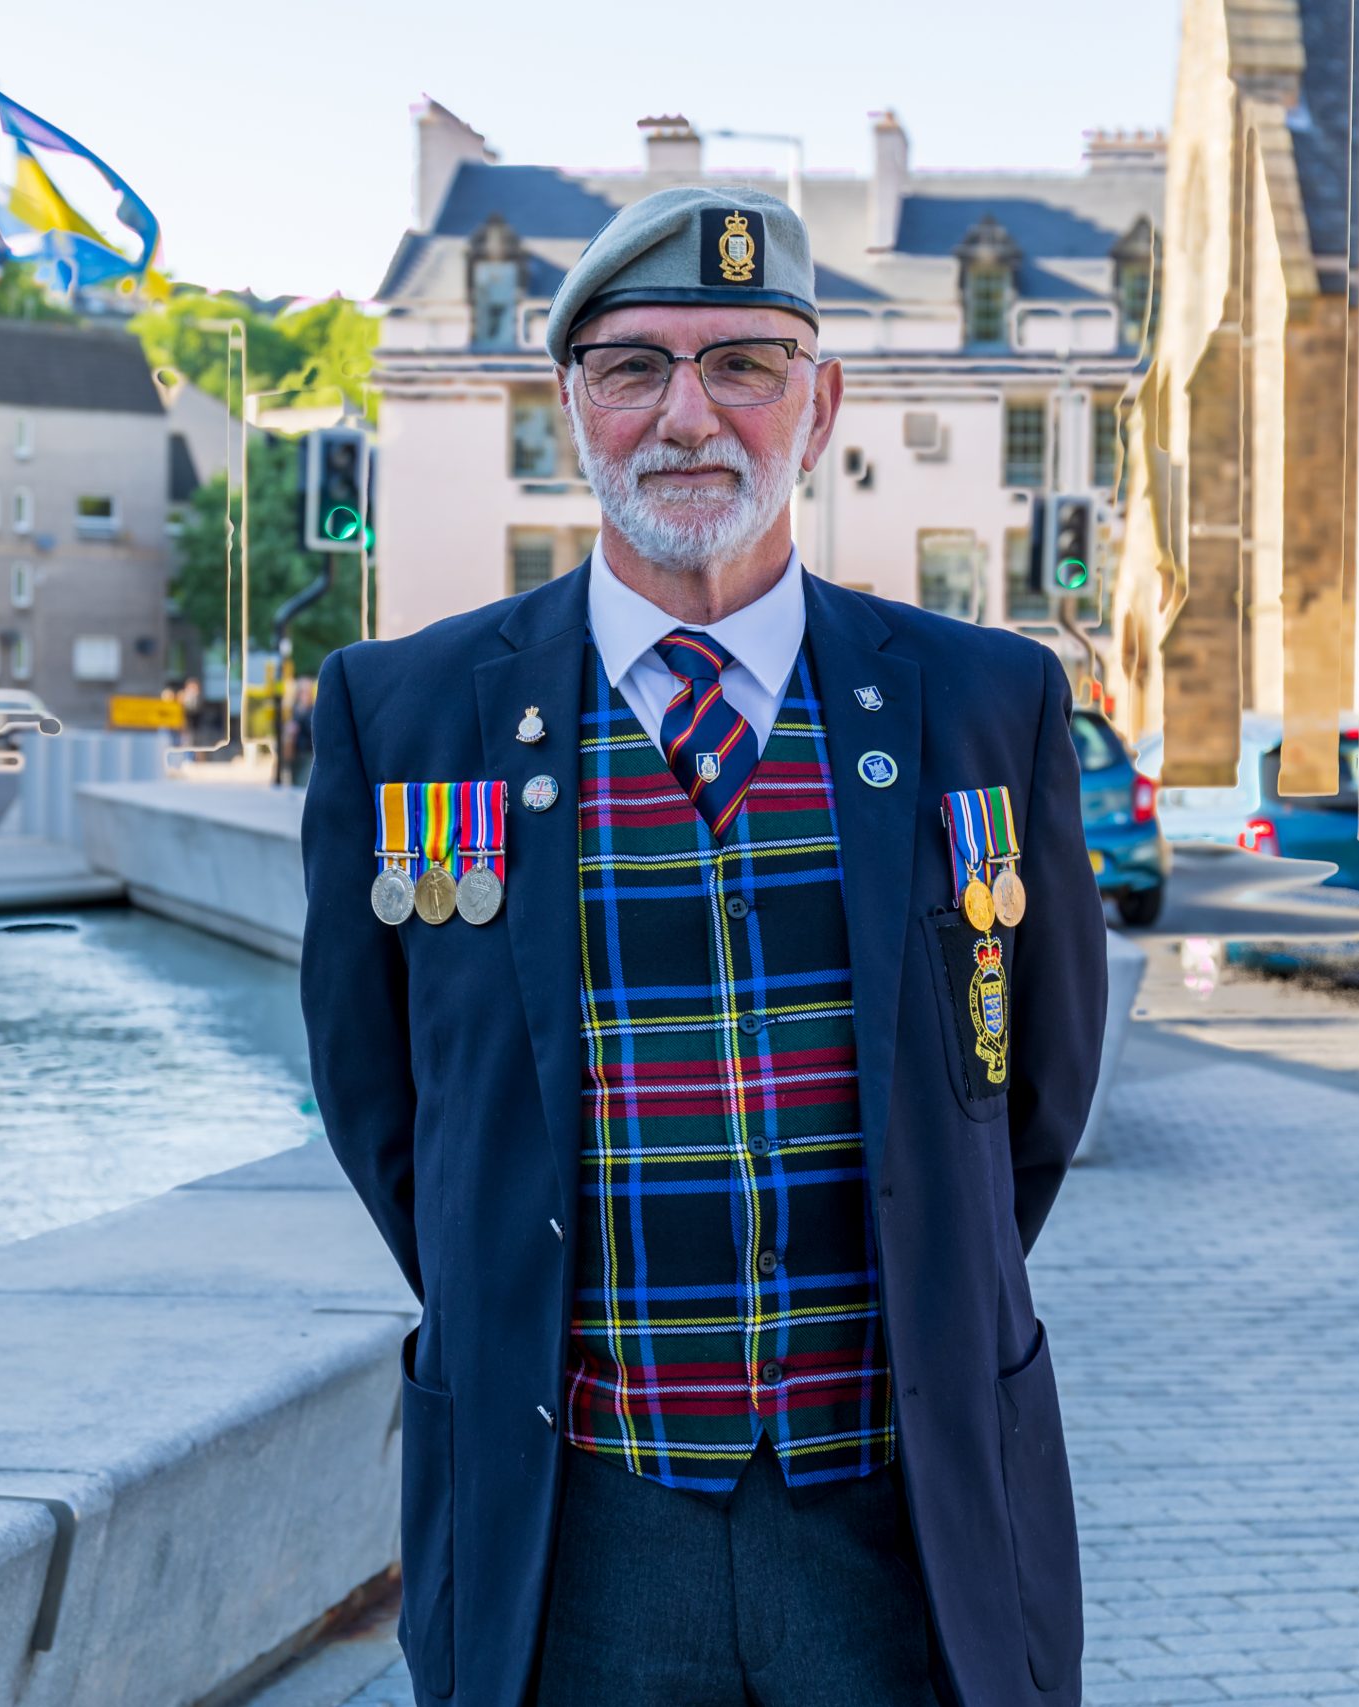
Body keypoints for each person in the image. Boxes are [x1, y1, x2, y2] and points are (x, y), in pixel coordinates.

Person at [298, 187, 1107, 1707]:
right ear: (569, 408)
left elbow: (1036, 1102)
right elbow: (382, 1106)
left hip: (900, 1516)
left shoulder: (984, 705)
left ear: (821, 404)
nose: (689, 413)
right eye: (633, 368)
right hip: (578, 1528)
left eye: (744, 362)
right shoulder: (406, 716)